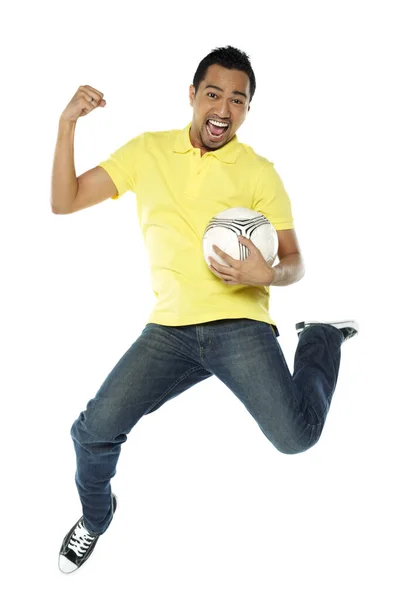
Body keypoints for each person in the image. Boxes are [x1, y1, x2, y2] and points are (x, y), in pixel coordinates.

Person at [52, 45, 358, 574]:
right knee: (92, 430)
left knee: (296, 438)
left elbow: (294, 262)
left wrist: (270, 275)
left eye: (237, 101)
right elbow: (65, 200)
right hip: (168, 331)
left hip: (240, 326)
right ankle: (95, 520)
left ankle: (321, 339)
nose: (223, 109)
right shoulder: (147, 152)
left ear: (247, 109)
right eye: (213, 94)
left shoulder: (260, 173)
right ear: (193, 96)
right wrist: (66, 126)